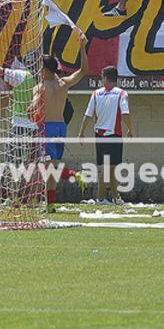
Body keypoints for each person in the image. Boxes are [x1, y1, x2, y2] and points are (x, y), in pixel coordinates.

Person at [39, 28, 88, 209]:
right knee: (49, 166)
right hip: (61, 127)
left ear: (44, 69)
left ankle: (73, 175)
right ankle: (50, 203)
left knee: (45, 167)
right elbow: (83, 71)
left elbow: (34, 106)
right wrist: (82, 48)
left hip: (48, 128)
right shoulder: (64, 83)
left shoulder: (41, 86)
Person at [77, 65, 132, 204]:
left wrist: (81, 132)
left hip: (99, 136)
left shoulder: (96, 93)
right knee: (108, 169)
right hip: (113, 135)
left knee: (112, 167)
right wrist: (130, 129)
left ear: (106, 78)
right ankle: (100, 198)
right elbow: (125, 113)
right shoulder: (121, 93)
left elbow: (88, 115)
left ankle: (115, 197)